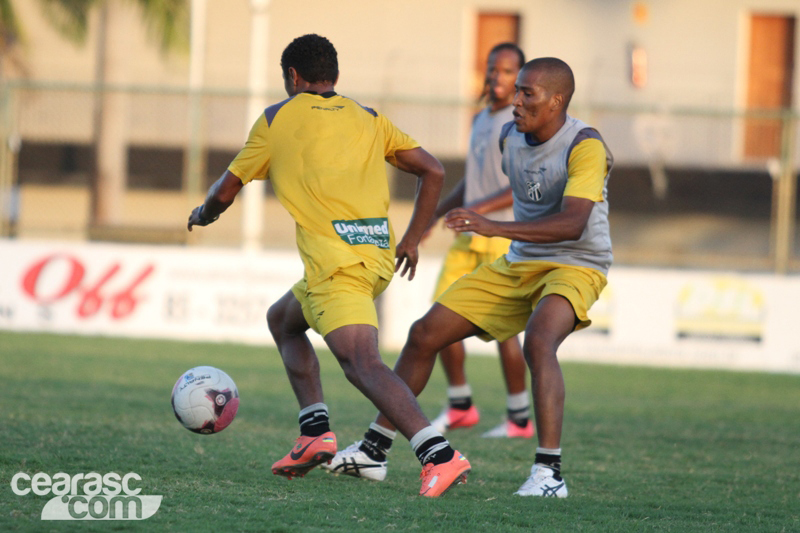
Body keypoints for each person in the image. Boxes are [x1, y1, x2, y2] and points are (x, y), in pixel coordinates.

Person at [187, 34, 471, 498]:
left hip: (337, 267)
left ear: (293, 77)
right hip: (375, 258)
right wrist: (414, 237)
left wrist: (204, 214)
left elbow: (225, 189)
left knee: (362, 363)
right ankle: (314, 432)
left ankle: (439, 454)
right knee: (283, 319)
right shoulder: (368, 116)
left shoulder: (278, 117)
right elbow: (434, 170)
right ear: (334, 76)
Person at [326, 57, 612, 497]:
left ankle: (549, 474)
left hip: (575, 263)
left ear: (557, 101)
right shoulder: (507, 135)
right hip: (519, 262)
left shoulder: (585, 145)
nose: (515, 100)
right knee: (424, 334)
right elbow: (475, 190)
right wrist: (422, 227)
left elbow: (573, 223)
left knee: (539, 340)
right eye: (516, 90)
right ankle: (373, 451)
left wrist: (495, 226)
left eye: (526, 93)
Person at [425, 43, 533, 439]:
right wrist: (433, 218)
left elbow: (519, 187)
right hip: (469, 237)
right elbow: (472, 183)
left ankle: (520, 419)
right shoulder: (479, 119)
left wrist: (480, 212)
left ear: (520, 79)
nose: (497, 77)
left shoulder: (520, 122)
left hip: (501, 237)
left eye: (506, 71)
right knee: (437, 318)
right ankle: (460, 405)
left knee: (505, 331)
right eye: (493, 69)